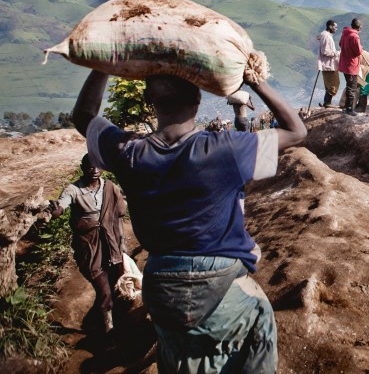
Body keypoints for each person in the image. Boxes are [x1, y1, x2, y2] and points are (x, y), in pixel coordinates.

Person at [72, 66, 306, 372]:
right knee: (257, 328)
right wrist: (254, 80)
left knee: (180, 358)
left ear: (148, 101)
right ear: (198, 98)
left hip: (162, 286)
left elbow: (84, 117)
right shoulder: (228, 150)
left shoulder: (128, 153)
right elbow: (297, 131)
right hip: (222, 282)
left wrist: (103, 66)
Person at [49, 154, 127, 334]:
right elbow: (61, 206)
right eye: (90, 167)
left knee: (113, 284)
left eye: (98, 166)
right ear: (82, 168)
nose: (94, 170)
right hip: (88, 246)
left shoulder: (108, 187)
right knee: (104, 288)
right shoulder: (73, 189)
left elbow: (121, 210)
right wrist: (55, 210)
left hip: (110, 243)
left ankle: (99, 320)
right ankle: (108, 332)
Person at [339, 18, 364, 117]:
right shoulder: (355, 37)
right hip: (351, 65)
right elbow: (358, 51)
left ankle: (346, 107)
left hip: (344, 63)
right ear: (359, 27)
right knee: (352, 87)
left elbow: (340, 44)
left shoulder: (345, 33)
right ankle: (349, 109)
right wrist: (361, 48)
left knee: (349, 85)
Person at [316, 20, 341, 109]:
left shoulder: (326, 36)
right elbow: (325, 51)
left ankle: (327, 101)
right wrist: (336, 53)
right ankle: (327, 102)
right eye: (335, 27)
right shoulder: (327, 37)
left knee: (329, 83)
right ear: (330, 26)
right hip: (328, 64)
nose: (336, 29)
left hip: (327, 64)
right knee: (334, 83)